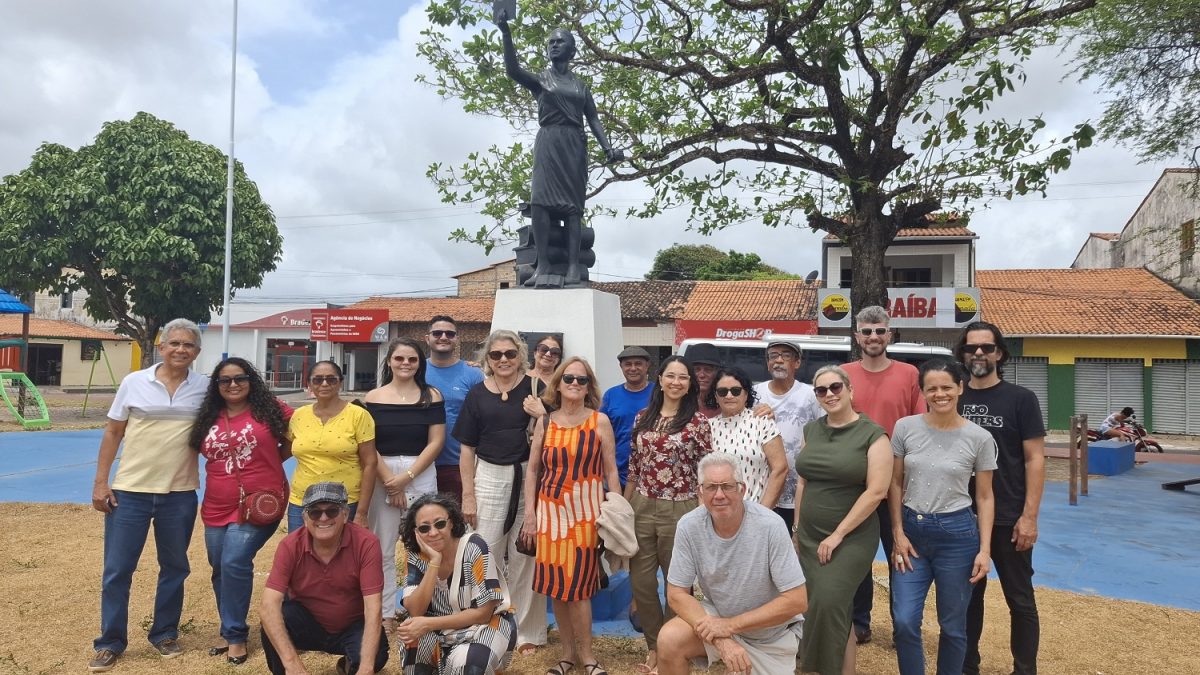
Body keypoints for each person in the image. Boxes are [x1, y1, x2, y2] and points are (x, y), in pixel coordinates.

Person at [89, 318, 209, 673]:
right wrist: (101, 482)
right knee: (117, 570)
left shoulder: (205, 388)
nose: (181, 350)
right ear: (161, 346)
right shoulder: (133, 382)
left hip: (180, 492)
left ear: (197, 352)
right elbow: (113, 432)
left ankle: (165, 633)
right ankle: (110, 642)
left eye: (188, 345)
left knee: (174, 567)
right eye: (175, 343)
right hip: (130, 492)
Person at [889, 360, 997, 675]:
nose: (940, 394)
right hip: (912, 534)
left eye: (947, 387)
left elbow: (985, 496)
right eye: (932, 388)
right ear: (922, 392)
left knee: (952, 626)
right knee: (906, 620)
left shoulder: (979, 438)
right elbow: (895, 483)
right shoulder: (905, 428)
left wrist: (985, 550)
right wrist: (897, 532)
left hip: (958, 536)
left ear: (960, 388)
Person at [497, 13, 621, 288]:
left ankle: (575, 266)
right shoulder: (541, 80)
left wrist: (608, 147)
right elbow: (513, 71)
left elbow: (594, 119)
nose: (553, 45)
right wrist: (506, 33)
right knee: (540, 202)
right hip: (549, 141)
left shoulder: (580, 86)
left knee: (573, 208)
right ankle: (544, 264)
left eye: (559, 41)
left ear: (572, 50)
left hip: (574, 144)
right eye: (550, 42)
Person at [656, 453, 808, 675]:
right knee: (669, 639)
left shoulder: (770, 526)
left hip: (770, 636)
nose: (719, 495)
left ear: (742, 490)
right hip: (719, 618)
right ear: (700, 491)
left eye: (727, 486)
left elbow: (797, 601)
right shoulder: (689, 526)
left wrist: (730, 625)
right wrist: (722, 638)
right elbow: (676, 594)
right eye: (711, 487)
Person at [521, 357, 621, 675]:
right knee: (557, 589)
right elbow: (533, 470)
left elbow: (611, 471)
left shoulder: (599, 421)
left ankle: (588, 656)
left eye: (581, 380)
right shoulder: (546, 422)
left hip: (585, 516)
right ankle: (566, 656)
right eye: (569, 379)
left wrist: (615, 512)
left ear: (589, 385)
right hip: (550, 514)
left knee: (578, 589)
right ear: (558, 384)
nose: (575, 384)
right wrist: (530, 515)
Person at [190, 357, 293, 665]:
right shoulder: (208, 416)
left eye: (240, 378)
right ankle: (228, 627)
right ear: (216, 386)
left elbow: (299, 435)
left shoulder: (270, 409)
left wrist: (274, 460)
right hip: (216, 503)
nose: (233, 385)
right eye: (225, 380)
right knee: (219, 566)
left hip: (261, 501)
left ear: (251, 380)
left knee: (234, 560)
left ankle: (235, 636)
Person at [957, 321, 1046, 675]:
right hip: (961, 516)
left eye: (987, 347)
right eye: (971, 347)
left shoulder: (1021, 399)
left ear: (1000, 353)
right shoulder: (952, 396)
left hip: (1009, 515)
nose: (979, 353)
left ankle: (1025, 669)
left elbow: (1034, 459)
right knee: (967, 599)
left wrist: (1030, 517)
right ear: (962, 354)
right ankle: (967, 666)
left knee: (1020, 599)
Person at [453, 329, 548, 654]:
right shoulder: (477, 394)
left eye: (510, 354)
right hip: (489, 476)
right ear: (487, 360)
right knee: (484, 552)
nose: (504, 360)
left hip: (528, 476)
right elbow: (467, 449)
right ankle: (485, 623)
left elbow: (557, 432)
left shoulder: (536, 389)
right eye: (496, 355)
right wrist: (468, 494)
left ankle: (527, 632)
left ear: (520, 355)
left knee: (525, 554)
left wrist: (543, 414)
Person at [795, 365, 893, 675]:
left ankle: (809, 668)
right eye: (821, 390)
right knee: (832, 610)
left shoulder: (873, 435)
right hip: (810, 536)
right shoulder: (811, 430)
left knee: (827, 601)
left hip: (850, 538)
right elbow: (802, 482)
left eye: (835, 387)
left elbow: (876, 492)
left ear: (850, 390)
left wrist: (838, 534)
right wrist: (797, 529)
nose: (828, 394)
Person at [842, 305, 926, 644]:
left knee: (900, 555)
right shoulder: (843, 375)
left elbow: (919, 426)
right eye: (866, 331)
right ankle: (859, 623)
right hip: (854, 483)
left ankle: (902, 627)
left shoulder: (909, 374)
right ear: (857, 336)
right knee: (857, 557)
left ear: (889, 334)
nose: (873, 337)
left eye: (879, 331)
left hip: (898, 485)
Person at [624, 355, 713, 674]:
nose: (676, 382)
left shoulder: (698, 422)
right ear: (659, 379)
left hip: (682, 508)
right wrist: (624, 507)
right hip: (643, 506)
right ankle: (653, 644)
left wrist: (705, 514)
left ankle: (669, 647)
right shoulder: (642, 417)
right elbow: (634, 467)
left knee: (678, 585)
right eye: (671, 376)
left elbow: (705, 470)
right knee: (642, 582)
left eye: (683, 377)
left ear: (690, 384)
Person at [259, 482, 389, 675]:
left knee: (376, 655)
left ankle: (348, 666)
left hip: (353, 625)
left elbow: (373, 606)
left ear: (345, 515)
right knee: (274, 620)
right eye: (315, 512)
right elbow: (268, 605)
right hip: (308, 623)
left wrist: (366, 667)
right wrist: (293, 664)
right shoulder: (289, 546)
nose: (323, 518)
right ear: (304, 518)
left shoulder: (367, 543)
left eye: (332, 511)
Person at [363, 337, 446, 633]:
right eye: (400, 359)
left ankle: (424, 608)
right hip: (381, 474)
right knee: (383, 548)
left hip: (420, 472)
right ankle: (385, 613)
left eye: (412, 359)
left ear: (419, 364)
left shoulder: (431, 396)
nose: (406, 364)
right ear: (389, 362)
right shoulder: (373, 397)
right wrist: (389, 481)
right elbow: (368, 444)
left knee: (426, 544)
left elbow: (436, 441)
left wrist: (406, 479)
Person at [398, 493, 517, 675]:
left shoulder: (475, 547)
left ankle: (483, 664)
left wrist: (428, 624)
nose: (433, 532)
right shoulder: (415, 555)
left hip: (482, 627)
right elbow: (415, 611)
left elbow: (483, 614)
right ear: (415, 532)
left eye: (440, 524)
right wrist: (434, 562)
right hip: (439, 630)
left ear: (451, 522)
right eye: (424, 528)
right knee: (412, 639)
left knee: (467, 661)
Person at [287, 361, 378, 532]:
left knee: (343, 555)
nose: (324, 384)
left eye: (331, 379)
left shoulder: (358, 415)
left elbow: (370, 463)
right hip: (302, 501)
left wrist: (362, 512)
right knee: (300, 553)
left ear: (340, 383)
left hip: (344, 502)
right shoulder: (299, 415)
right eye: (317, 380)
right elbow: (284, 451)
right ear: (309, 384)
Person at [751, 340, 824, 533]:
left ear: (797, 363)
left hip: (801, 492)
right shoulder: (754, 394)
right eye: (773, 356)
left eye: (786, 356)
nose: (778, 361)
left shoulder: (811, 395)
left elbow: (826, 432)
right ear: (767, 363)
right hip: (764, 492)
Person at [705, 367, 787, 508]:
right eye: (722, 392)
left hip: (756, 510)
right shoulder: (707, 428)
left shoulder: (762, 421)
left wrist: (762, 512)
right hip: (717, 513)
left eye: (735, 391)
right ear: (716, 396)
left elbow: (780, 469)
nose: (729, 396)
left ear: (746, 394)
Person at [424, 315, 485, 502]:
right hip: (420, 463)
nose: (444, 337)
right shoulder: (415, 370)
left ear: (456, 339)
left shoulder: (473, 374)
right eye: (437, 333)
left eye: (450, 333)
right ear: (427, 338)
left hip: (458, 465)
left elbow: (482, 419)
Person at [599, 346, 655, 488]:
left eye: (638, 363)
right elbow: (600, 433)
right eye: (628, 364)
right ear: (621, 367)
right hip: (616, 473)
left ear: (647, 365)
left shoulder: (658, 394)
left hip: (651, 474)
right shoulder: (611, 395)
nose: (633, 368)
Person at [684, 342, 722, 418]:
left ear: (717, 372)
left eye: (708, 370)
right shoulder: (680, 401)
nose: (702, 375)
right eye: (696, 369)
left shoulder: (726, 401)